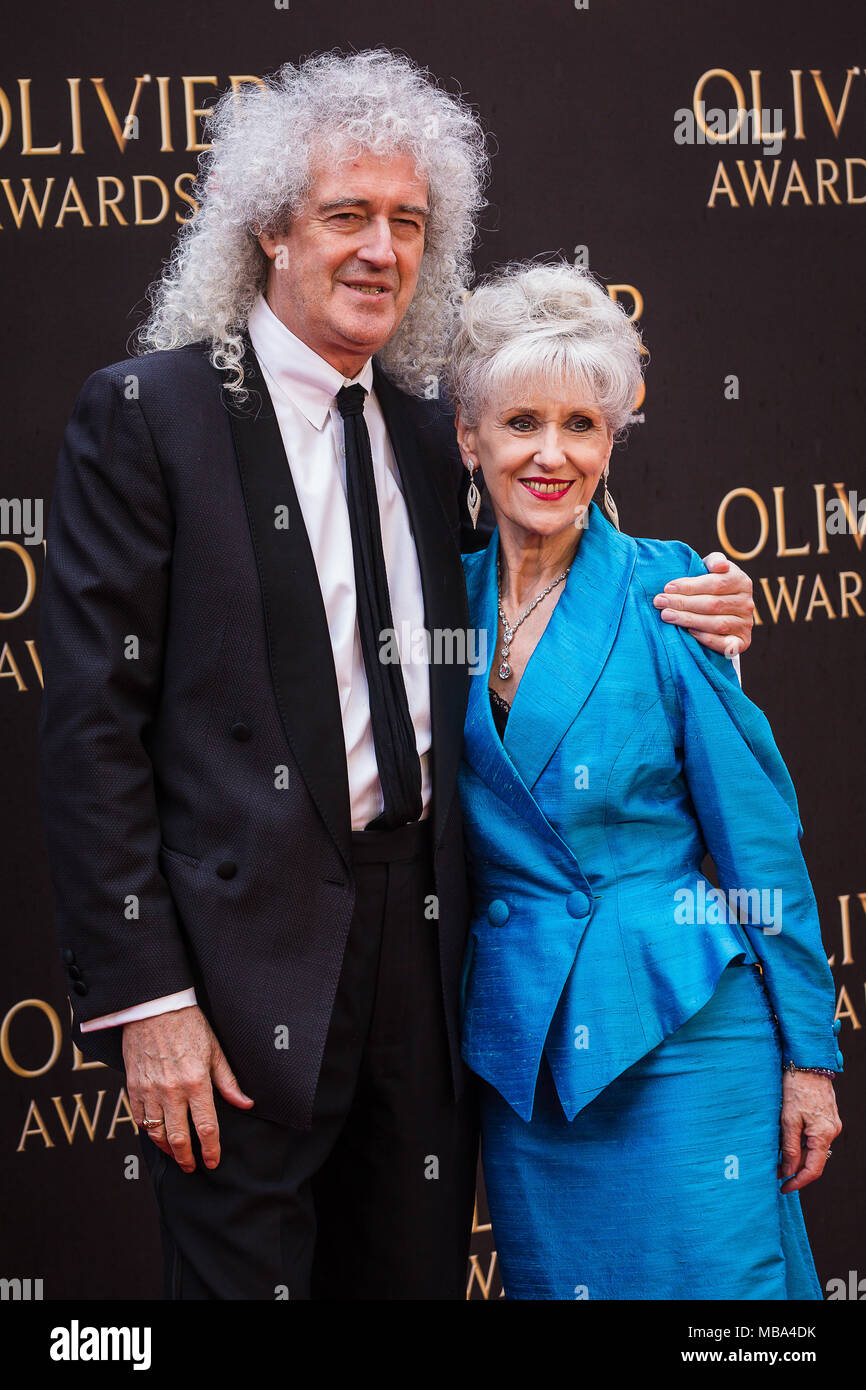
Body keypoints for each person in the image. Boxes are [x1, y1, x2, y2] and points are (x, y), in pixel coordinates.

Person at [37, 52, 754, 1301]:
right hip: (233, 969)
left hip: (428, 965)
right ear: (269, 227)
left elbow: (555, 570)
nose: (380, 248)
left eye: (408, 223)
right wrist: (148, 997)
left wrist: (699, 597)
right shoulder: (150, 415)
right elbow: (92, 730)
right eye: (346, 215)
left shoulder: (433, 431)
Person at [447, 259, 842, 1301]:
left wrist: (809, 1056)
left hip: (682, 1031)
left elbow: (757, 841)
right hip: (523, 1053)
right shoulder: (430, 600)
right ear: (468, 439)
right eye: (520, 420)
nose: (549, 453)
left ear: (610, 440)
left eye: (581, 424)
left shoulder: (672, 591)